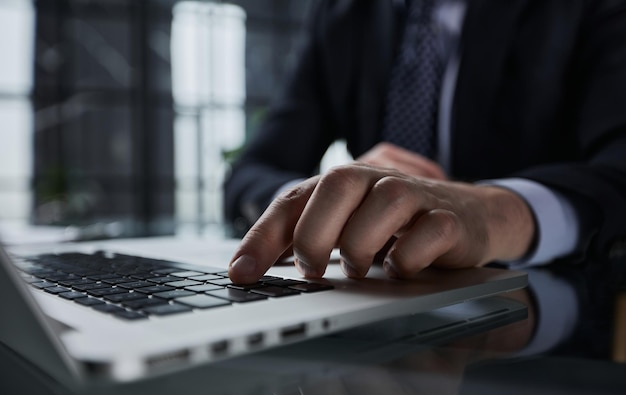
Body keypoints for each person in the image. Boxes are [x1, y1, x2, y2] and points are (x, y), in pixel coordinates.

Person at [224, 0, 626, 284]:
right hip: (375, 297)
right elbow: (251, 171)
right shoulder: (343, 13)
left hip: (549, 327)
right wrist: (318, 204)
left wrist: (492, 214)